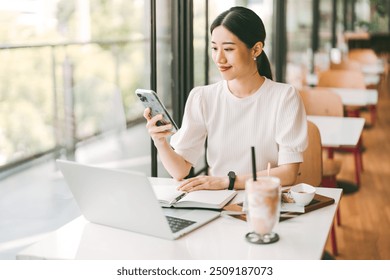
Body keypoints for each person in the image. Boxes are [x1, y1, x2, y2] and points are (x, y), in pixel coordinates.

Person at [144, 6, 307, 192]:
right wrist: (160, 142)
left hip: (263, 199)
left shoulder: (284, 97)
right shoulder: (202, 97)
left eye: (228, 49)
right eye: (214, 48)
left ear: (256, 49)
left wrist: (227, 182)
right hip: (217, 202)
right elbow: (179, 171)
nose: (219, 58)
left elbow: (288, 173)